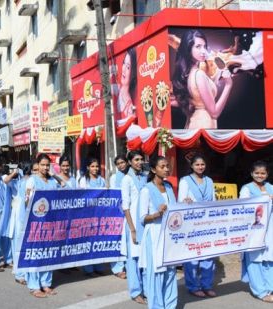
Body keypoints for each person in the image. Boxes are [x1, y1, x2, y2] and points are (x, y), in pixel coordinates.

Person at [172, 29, 233, 129]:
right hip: (204, 125)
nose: (203, 51)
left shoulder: (189, 74)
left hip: (195, 123)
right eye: (198, 47)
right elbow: (214, 113)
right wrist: (228, 85)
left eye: (204, 46)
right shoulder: (199, 75)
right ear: (188, 48)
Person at [138, 156, 177, 309]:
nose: (167, 169)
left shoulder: (168, 187)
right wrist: (156, 214)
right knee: (156, 273)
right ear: (154, 170)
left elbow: (174, 210)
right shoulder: (146, 190)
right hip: (154, 234)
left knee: (170, 271)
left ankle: (170, 305)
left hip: (168, 234)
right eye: (162, 166)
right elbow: (142, 218)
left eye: (167, 166)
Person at [178, 154, 217, 298]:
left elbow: (213, 200)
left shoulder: (209, 181)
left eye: (202, 164)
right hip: (191, 224)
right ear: (191, 166)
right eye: (197, 164)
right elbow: (180, 202)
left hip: (207, 223)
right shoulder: (185, 181)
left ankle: (207, 285)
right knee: (192, 256)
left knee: (208, 255)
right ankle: (193, 286)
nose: (200, 167)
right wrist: (185, 201)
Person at [239, 161, 273, 303]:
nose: (260, 175)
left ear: (267, 174)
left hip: (270, 229)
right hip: (254, 230)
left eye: (263, 173)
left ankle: (270, 288)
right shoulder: (246, 189)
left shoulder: (271, 187)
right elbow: (243, 207)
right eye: (257, 173)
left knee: (269, 259)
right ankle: (260, 291)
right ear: (252, 173)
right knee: (255, 259)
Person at [26, 154, 59, 298]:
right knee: (35, 253)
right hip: (36, 223)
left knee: (48, 252)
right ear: (37, 165)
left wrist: (55, 175)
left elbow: (65, 187)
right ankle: (34, 286)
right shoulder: (32, 181)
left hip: (50, 222)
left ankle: (46, 283)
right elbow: (27, 203)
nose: (45, 168)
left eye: (48, 165)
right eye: (43, 165)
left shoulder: (52, 181)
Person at [120, 150, 147, 304]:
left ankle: (146, 289)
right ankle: (136, 291)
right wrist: (132, 229)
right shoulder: (127, 180)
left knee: (144, 257)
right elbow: (126, 206)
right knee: (133, 259)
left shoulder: (144, 177)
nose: (139, 162)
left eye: (141, 159)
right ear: (130, 162)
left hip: (144, 222)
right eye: (136, 159)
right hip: (133, 224)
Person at [77, 158, 108, 277]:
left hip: (99, 215)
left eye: (97, 166)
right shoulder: (84, 180)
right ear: (88, 168)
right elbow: (81, 197)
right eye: (93, 166)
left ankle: (98, 267)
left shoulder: (102, 180)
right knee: (88, 242)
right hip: (87, 215)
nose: (95, 169)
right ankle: (88, 269)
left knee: (98, 242)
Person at [117, 48, 137, 121]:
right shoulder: (116, 92)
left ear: (134, 72)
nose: (124, 69)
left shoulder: (131, 106)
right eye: (124, 63)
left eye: (128, 67)